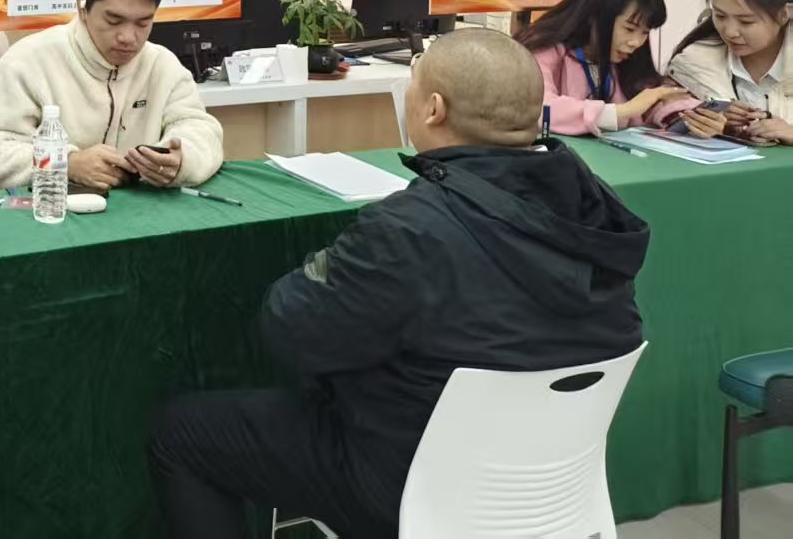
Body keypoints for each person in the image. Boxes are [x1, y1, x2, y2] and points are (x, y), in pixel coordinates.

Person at [147, 29, 647, 538]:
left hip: (411, 487)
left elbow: (291, 328)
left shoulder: (412, 229)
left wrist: (328, 266)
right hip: (550, 492)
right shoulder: (596, 211)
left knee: (181, 433)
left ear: (433, 108)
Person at [0, 0, 224, 192]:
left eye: (143, 23)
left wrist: (180, 160)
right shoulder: (27, 62)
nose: (128, 37)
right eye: (114, 20)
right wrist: (66, 163)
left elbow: (201, 130)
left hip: (131, 213)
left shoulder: (163, 66)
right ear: (82, 4)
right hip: (39, 211)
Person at [514, 0, 706, 136]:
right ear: (595, 16)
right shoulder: (543, 46)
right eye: (629, 29)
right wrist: (622, 111)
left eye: (645, 32)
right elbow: (538, 108)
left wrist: (693, 116)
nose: (636, 42)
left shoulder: (626, 57)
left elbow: (653, 99)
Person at [668, 0, 793, 144]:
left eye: (746, 21)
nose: (730, 32)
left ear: (784, 14)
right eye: (720, 16)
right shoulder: (693, 63)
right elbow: (666, 129)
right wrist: (714, 125)